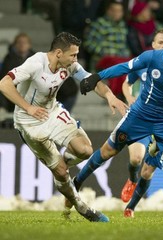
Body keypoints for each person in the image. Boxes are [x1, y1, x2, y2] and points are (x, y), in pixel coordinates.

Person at [74, 26, 163, 218]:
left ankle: (134, 201)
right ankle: (76, 183)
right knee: (107, 151)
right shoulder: (152, 58)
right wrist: (96, 77)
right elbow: (124, 68)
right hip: (140, 116)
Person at [0, 32, 128, 222]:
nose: (76, 59)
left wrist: (111, 96)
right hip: (29, 122)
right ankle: (82, 207)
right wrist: (28, 108)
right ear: (59, 53)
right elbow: (4, 84)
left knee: (85, 150)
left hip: (52, 112)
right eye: (73, 55)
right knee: (61, 172)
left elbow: (92, 81)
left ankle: (61, 169)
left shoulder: (69, 65)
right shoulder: (35, 63)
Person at [120, 28, 163, 203]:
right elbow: (127, 83)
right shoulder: (144, 61)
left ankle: (131, 207)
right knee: (136, 159)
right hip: (142, 117)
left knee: (148, 171)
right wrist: (130, 97)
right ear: (153, 45)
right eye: (160, 42)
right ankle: (132, 180)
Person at [0, 33, 35, 114]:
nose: (22, 45)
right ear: (15, 45)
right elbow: (5, 78)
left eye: (25, 42)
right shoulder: (8, 59)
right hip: (14, 90)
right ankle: (3, 110)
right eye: (19, 42)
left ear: (29, 45)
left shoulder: (35, 58)